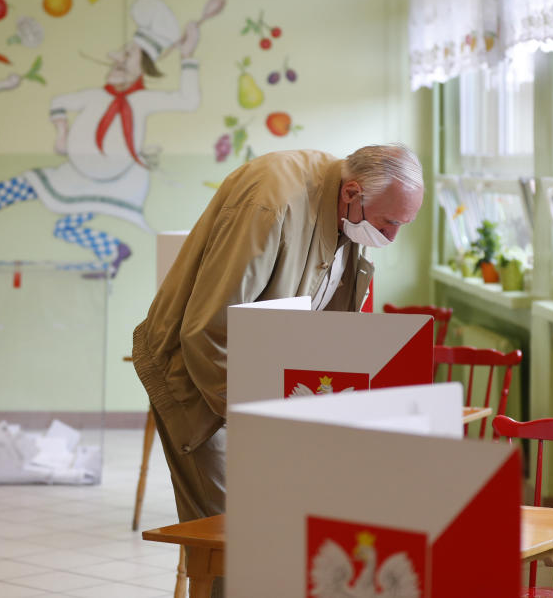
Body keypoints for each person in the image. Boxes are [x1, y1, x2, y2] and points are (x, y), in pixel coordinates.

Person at [131, 145, 424, 597]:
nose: (391, 235)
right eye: (389, 223)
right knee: (233, 539)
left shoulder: (350, 214)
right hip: (199, 379)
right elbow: (207, 330)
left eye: (402, 225)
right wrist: (267, 422)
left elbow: (327, 316)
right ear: (351, 193)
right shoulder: (272, 202)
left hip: (268, 384)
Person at [0, 0, 208, 277]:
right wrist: (61, 133)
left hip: (112, 183)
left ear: (142, 65)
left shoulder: (142, 102)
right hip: (79, 174)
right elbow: (58, 103)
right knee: (39, 184)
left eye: (127, 54)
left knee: (45, 194)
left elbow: (187, 101)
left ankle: (110, 252)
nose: (116, 59)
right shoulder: (94, 96)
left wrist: (188, 56)